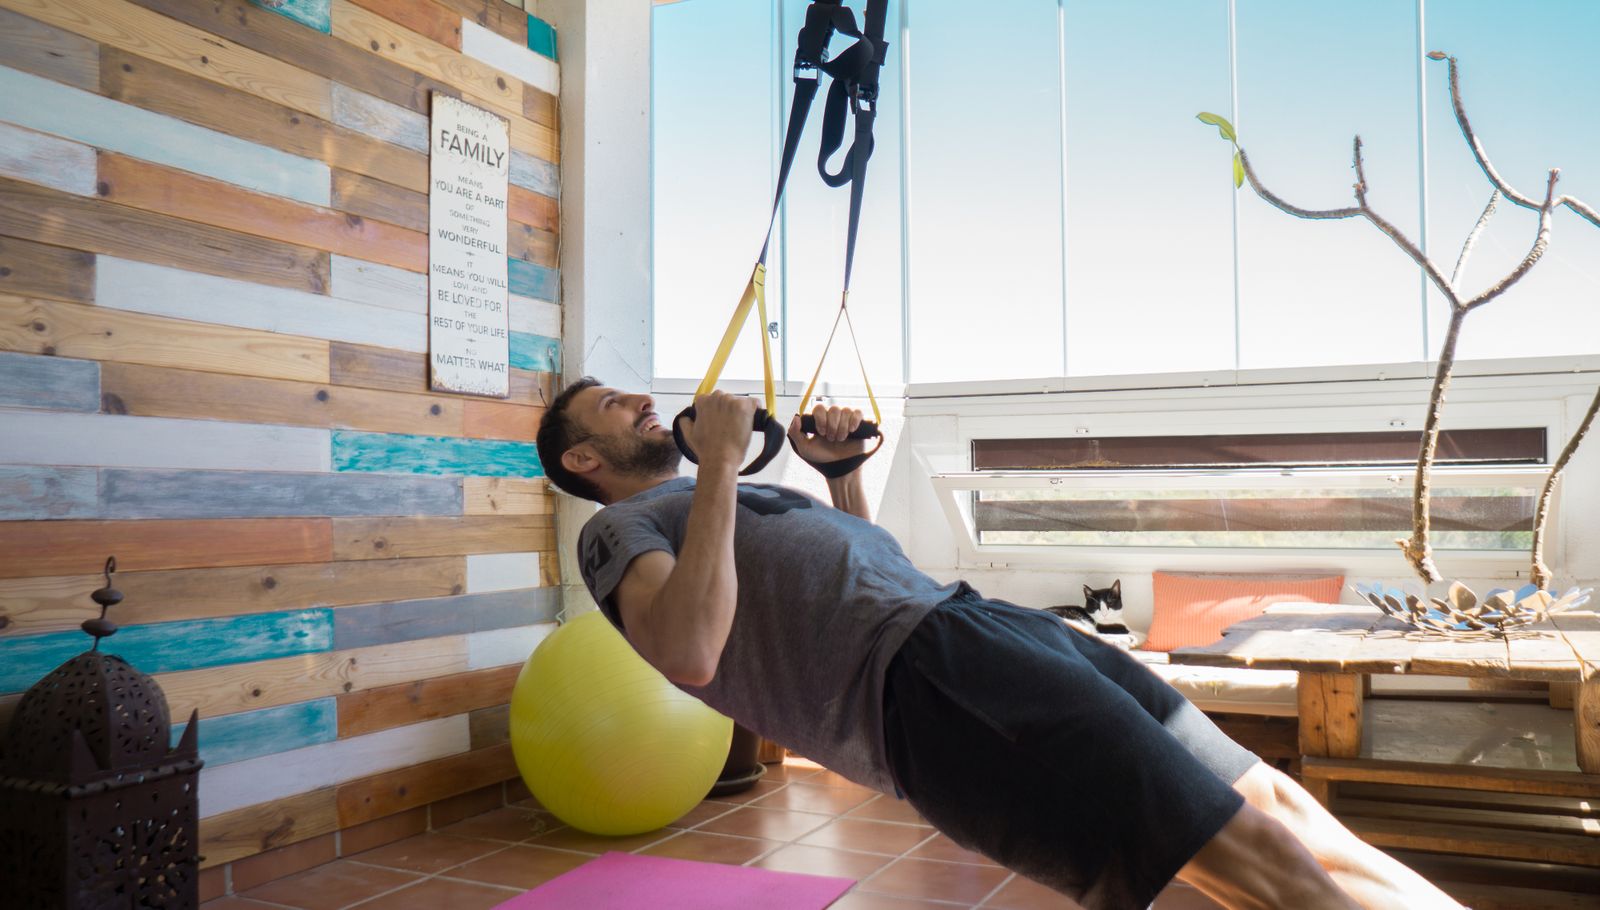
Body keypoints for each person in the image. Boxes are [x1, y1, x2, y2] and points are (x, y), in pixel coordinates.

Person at [535, 378, 1462, 910]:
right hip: (935, 687)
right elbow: (692, 650)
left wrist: (843, 480)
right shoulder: (620, 533)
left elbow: (855, 578)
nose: (639, 402)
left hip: (973, 629)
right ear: (583, 461)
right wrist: (724, 465)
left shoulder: (710, 506)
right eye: (610, 409)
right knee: (1250, 856)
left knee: (1282, 811)